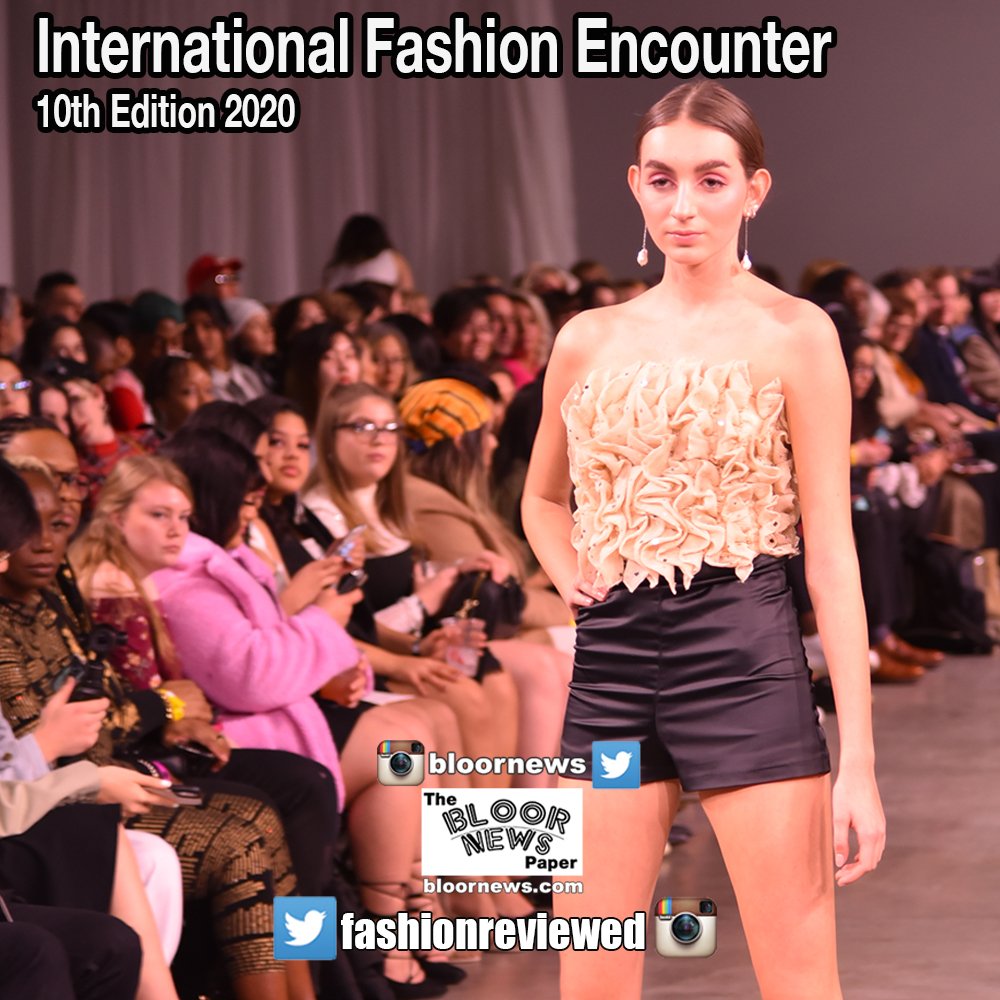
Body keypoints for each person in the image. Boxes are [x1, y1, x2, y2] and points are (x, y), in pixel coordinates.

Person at [521, 83, 885, 1000]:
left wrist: (861, 763)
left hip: (746, 662)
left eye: (711, 180)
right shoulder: (587, 339)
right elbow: (541, 499)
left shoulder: (797, 334)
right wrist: (573, 576)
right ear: (635, 186)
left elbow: (831, 553)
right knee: (590, 977)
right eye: (662, 179)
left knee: (800, 981)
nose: (683, 205)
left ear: (754, 190)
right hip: (610, 671)